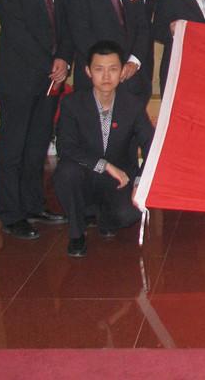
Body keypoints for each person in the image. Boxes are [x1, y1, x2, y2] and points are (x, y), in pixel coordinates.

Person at [0, 0, 72, 239]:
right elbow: (16, 29)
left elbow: (65, 26)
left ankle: (33, 204)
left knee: (37, 145)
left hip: (51, 79)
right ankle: (11, 214)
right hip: (20, 78)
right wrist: (47, 64)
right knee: (13, 147)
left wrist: (64, 58)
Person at [53, 41, 153, 257]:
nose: (106, 76)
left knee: (130, 214)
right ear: (88, 71)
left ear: (122, 71)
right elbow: (65, 146)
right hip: (85, 173)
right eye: (99, 69)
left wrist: (139, 182)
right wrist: (105, 165)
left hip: (119, 179)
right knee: (66, 172)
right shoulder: (72, 103)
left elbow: (150, 145)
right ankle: (77, 233)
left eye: (113, 69)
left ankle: (103, 216)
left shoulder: (133, 105)